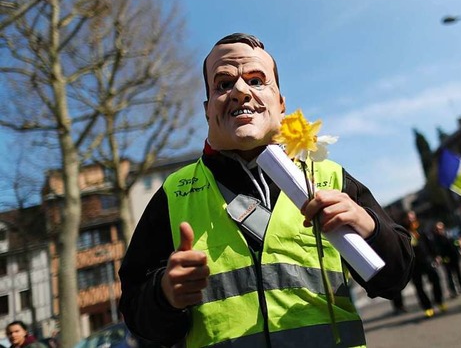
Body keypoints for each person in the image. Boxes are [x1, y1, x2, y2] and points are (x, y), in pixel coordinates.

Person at [118, 33, 414, 348]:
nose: (240, 91)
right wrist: (164, 296)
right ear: (207, 110)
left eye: (257, 81)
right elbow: (137, 316)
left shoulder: (330, 177)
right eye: (223, 84)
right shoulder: (173, 194)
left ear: (281, 103)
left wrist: (368, 227)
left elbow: (395, 279)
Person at [393, 210, 445, 318]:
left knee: (435, 279)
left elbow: (430, 242)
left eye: (412, 217)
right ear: (404, 219)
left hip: (427, 260)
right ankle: (427, 307)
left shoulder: (421, 228)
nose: (411, 219)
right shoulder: (401, 232)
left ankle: (439, 301)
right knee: (419, 287)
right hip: (413, 264)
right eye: (408, 218)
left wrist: (436, 255)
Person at [433, 221, 461, 298]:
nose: (439, 230)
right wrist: (439, 257)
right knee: (449, 275)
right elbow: (436, 249)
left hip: (454, 256)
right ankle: (453, 290)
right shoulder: (435, 239)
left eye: (441, 228)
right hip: (445, 258)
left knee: (458, 272)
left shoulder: (449, 234)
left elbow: (456, 242)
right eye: (438, 229)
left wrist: (459, 249)